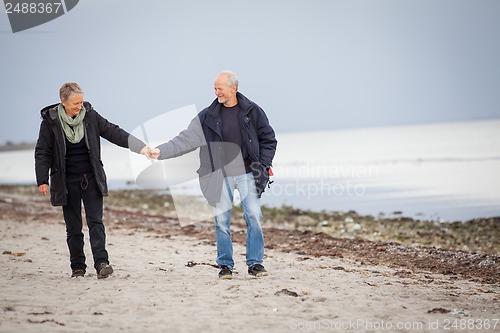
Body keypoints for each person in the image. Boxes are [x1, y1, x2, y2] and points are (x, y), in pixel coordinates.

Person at [150, 71, 277, 279]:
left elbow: (268, 139)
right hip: (219, 176)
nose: (217, 92)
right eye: (215, 89)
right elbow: (186, 139)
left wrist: (263, 166)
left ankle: (255, 264)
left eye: (220, 88)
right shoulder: (208, 116)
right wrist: (161, 151)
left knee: (253, 217)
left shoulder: (253, 111)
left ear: (233, 88)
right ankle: (225, 265)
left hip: (248, 174)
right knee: (221, 221)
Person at [35, 82, 152, 279]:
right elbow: (42, 152)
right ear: (63, 102)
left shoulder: (90, 116)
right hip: (65, 182)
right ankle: (78, 267)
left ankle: (101, 263)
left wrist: (140, 147)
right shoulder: (51, 122)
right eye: (75, 103)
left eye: (81, 102)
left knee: (96, 222)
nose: (79, 106)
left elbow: (114, 132)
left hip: (91, 178)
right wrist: (42, 179)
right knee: (73, 227)